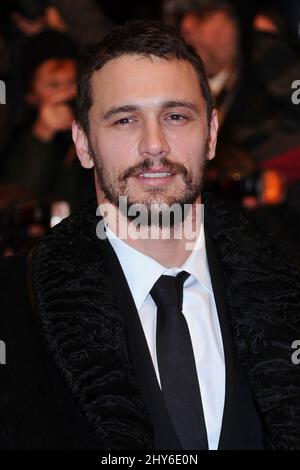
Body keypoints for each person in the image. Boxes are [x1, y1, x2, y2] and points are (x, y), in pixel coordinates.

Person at [0, 20, 300, 450]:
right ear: (83, 143)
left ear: (212, 135)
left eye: (175, 116)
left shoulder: (286, 288)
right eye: (124, 120)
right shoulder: (13, 307)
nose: (154, 144)